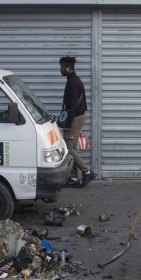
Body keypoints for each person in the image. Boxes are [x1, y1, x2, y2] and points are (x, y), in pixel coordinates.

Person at [60, 56, 96, 188]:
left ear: (68, 68)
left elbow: (74, 105)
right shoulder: (73, 80)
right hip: (77, 117)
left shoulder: (72, 82)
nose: (61, 69)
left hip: (75, 118)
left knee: (68, 147)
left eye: (62, 67)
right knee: (72, 147)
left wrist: (68, 124)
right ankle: (74, 178)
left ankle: (87, 172)